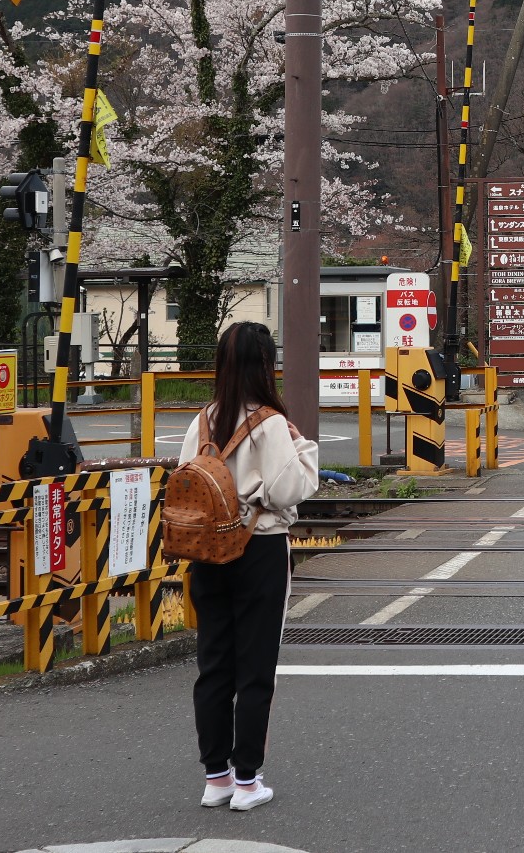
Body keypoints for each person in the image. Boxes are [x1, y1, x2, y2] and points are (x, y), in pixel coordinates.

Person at [180, 320, 320, 812]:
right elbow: (288, 489)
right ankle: (247, 781)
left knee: (214, 663)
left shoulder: (203, 419)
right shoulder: (272, 423)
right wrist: (305, 452)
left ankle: (215, 778)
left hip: (206, 554)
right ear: (265, 364)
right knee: (256, 668)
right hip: (258, 550)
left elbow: (188, 484)